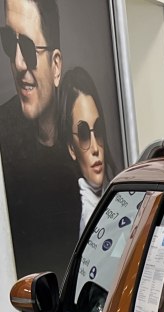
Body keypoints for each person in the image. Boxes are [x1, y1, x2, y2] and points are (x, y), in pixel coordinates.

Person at [0, 0, 80, 277]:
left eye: (29, 49)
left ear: (56, 66)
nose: (18, 63)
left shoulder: (80, 125)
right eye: (10, 42)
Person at [59, 67, 113, 235]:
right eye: (83, 135)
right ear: (71, 148)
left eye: (97, 130)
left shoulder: (116, 195)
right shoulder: (86, 218)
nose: (95, 149)